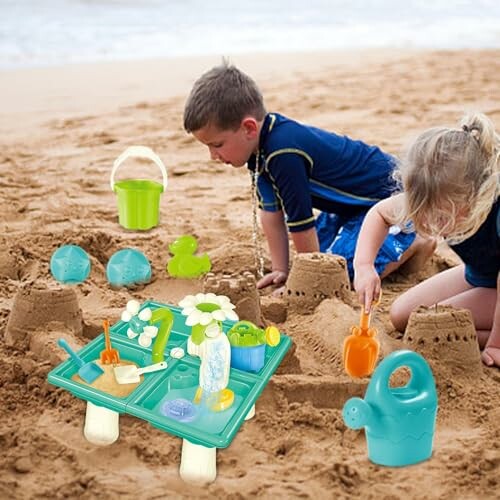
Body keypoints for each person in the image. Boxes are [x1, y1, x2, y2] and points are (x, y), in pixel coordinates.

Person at [183, 62, 434, 291]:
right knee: (324, 256)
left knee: (337, 272)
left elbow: (301, 223)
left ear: (248, 128)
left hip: (392, 199)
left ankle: (415, 241)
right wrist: (281, 270)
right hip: (349, 209)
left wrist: (311, 284)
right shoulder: (258, 153)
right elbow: (271, 215)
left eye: (216, 145)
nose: (212, 156)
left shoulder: (283, 151)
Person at [353, 113, 500, 367]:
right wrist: (364, 267)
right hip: (479, 275)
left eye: (442, 217)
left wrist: (495, 345)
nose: (434, 225)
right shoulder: (435, 192)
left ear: (474, 197)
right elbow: (379, 214)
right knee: (402, 317)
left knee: (432, 328)